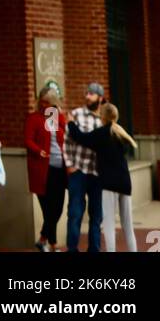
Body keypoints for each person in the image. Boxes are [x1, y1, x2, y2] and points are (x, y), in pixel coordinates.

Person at [66, 102, 137, 252]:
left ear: (102, 117)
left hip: (109, 183)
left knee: (109, 227)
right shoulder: (119, 133)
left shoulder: (102, 133)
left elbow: (80, 137)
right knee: (128, 227)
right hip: (125, 182)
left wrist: (71, 122)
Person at [25, 87, 67, 252]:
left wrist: (60, 116)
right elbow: (28, 140)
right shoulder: (33, 118)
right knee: (48, 209)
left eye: (48, 103)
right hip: (42, 169)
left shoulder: (57, 117)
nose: (44, 105)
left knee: (57, 208)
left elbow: (66, 135)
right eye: (42, 102)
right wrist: (38, 150)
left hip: (59, 168)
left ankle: (43, 239)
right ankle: (53, 244)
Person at [64, 81, 104, 253]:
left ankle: (94, 249)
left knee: (96, 216)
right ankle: (72, 249)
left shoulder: (104, 119)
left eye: (91, 94)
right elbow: (66, 141)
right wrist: (69, 165)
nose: (87, 96)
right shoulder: (77, 115)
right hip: (78, 172)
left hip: (97, 175)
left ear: (100, 98)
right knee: (74, 214)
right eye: (86, 93)